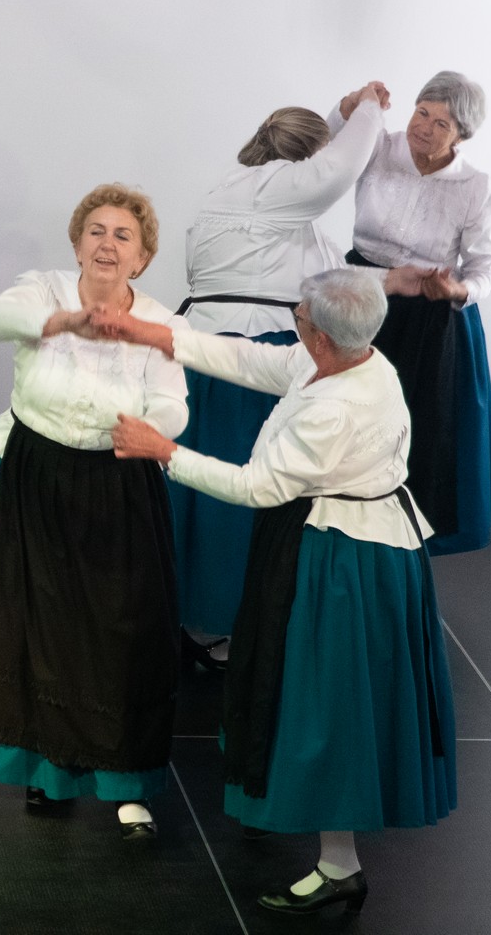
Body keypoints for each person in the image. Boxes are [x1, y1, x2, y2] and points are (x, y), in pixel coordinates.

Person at [106, 268, 455, 917]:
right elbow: (251, 360)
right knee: (304, 695)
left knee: (324, 705)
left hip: (338, 561)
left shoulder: (334, 408)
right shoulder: (352, 358)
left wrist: (162, 450)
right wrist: (156, 334)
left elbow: (256, 487)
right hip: (340, 544)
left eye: (300, 314)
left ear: (319, 336)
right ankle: (290, 814)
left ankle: (339, 865)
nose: (292, 317)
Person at [0, 183, 187, 839]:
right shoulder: (43, 290)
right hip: (28, 472)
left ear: (143, 258)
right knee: (32, 628)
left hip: (115, 483)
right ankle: (48, 772)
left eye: (123, 236)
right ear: (76, 244)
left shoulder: (161, 321)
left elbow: (172, 400)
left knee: (117, 635)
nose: (107, 244)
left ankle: (126, 787)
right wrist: (64, 322)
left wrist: (151, 427)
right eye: (96, 231)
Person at [171, 81, 390, 668]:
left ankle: (221, 619)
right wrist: (368, 106)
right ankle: (227, 624)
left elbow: (314, 168)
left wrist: (337, 114)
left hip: (227, 356)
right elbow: (337, 167)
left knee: (227, 492)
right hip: (245, 360)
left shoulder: (259, 198)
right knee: (242, 492)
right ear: (305, 159)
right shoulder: (266, 190)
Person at [327, 71, 491, 555]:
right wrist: (348, 107)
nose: (423, 127)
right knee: (342, 414)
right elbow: (321, 151)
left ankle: (402, 539)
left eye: (441, 123)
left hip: (428, 313)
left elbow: (484, 269)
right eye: (421, 112)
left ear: (461, 136)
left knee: (415, 428)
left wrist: (458, 289)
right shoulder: (378, 146)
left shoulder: (476, 186)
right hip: (363, 291)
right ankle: (336, 528)